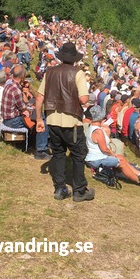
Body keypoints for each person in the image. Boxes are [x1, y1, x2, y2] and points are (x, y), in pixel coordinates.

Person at [35, 42, 94, 202]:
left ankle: (60, 189)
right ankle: (79, 191)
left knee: (58, 153)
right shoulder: (78, 73)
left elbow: (40, 97)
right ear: (75, 59)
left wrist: (39, 119)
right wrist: (87, 96)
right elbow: (83, 99)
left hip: (52, 119)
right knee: (78, 154)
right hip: (72, 121)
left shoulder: (50, 72)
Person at [85, 105, 140, 185]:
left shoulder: (92, 127)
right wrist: (113, 155)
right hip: (96, 160)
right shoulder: (98, 131)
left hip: (94, 158)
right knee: (120, 161)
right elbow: (104, 149)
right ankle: (138, 180)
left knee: (121, 157)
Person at [1, 65, 49, 160]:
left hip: (7, 118)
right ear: (22, 76)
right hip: (12, 121)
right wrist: (31, 108)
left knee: (35, 116)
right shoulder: (16, 90)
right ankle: (41, 150)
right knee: (41, 119)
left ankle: (35, 144)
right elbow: (23, 108)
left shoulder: (9, 84)